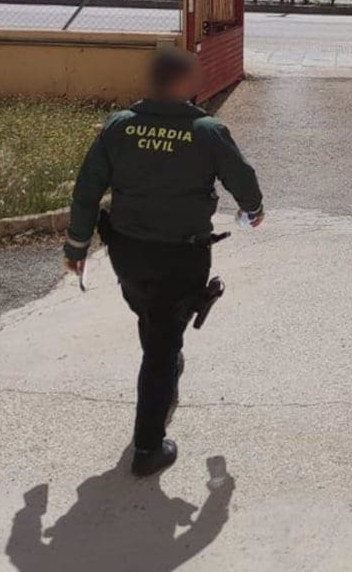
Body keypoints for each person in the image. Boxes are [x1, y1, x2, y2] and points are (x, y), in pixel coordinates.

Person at [63, 47, 264, 477]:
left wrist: (76, 247)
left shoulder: (120, 126)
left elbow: (87, 189)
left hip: (128, 255)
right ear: (185, 82)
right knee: (162, 347)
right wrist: (254, 209)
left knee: (152, 318)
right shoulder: (207, 131)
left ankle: (165, 365)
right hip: (181, 257)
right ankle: (148, 448)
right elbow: (243, 181)